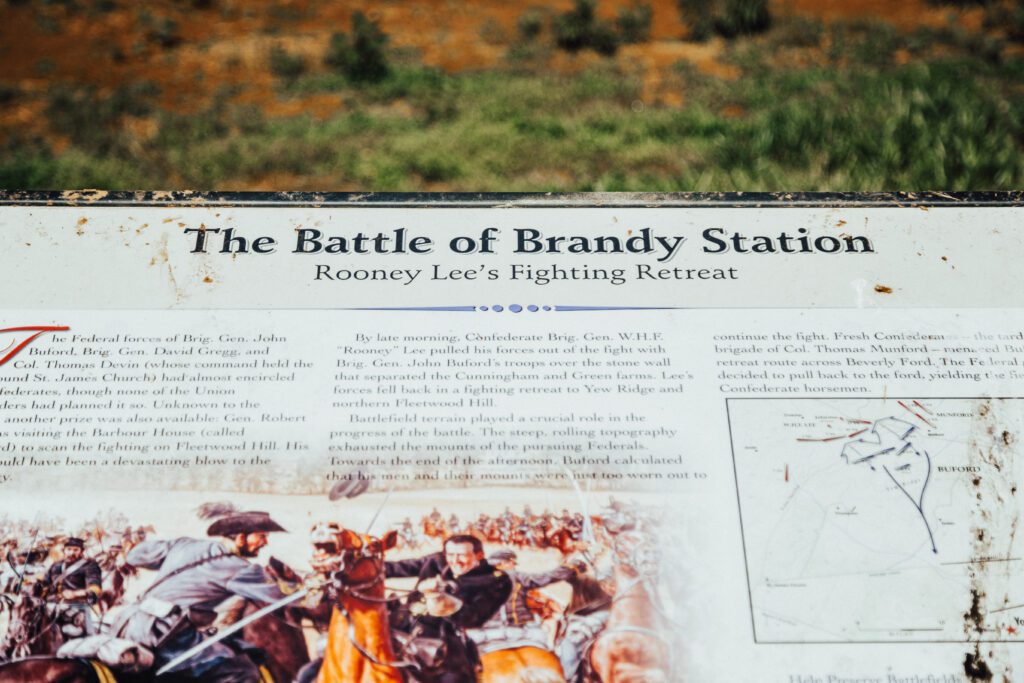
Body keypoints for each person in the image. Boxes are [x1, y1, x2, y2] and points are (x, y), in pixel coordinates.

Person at [112, 511, 289, 683]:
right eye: (261, 536)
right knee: (243, 671)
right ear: (241, 537)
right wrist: (306, 585)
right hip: (166, 635)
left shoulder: (185, 544)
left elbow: (135, 556)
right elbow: (282, 596)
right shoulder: (242, 569)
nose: (265, 542)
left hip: (125, 624)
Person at [385, 534, 512, 682]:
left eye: (462, 555)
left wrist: (437, 597)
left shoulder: (497, 580)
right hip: (402, 626)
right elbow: (397, 568)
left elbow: (472, 618)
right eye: (450, 554)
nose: (455, 561)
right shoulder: (438, 561)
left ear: (479, 555)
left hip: (444, 642)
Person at [42, 537, 102, 637]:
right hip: (53, 607)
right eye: (69, 549)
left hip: (78, 606)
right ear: (64, 550)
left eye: (75, 550)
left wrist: (75, 594)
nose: (71, 553)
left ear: (81, 551)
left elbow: (95, 588)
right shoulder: (56, 566)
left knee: (72, 631)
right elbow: (45, 584)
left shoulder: (90, 566)